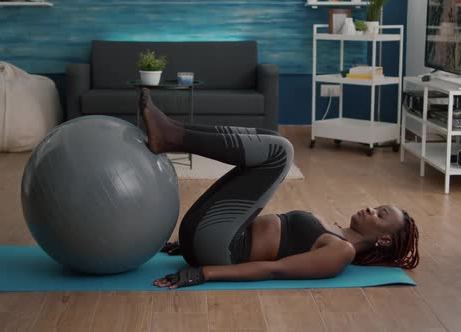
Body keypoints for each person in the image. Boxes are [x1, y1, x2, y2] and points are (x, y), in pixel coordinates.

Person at [137, 88, 420, 289]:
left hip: (220, 251)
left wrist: (203, 274)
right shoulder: (335, 231)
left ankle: (172, 135)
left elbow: (275, 269)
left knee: (281, 151)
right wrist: (183, 247)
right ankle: (172, 131)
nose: (371, 208)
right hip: (204, 239)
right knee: (270, 146)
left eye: (380, 215)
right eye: (378, 207)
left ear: (383, 240)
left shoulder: (341, 252)